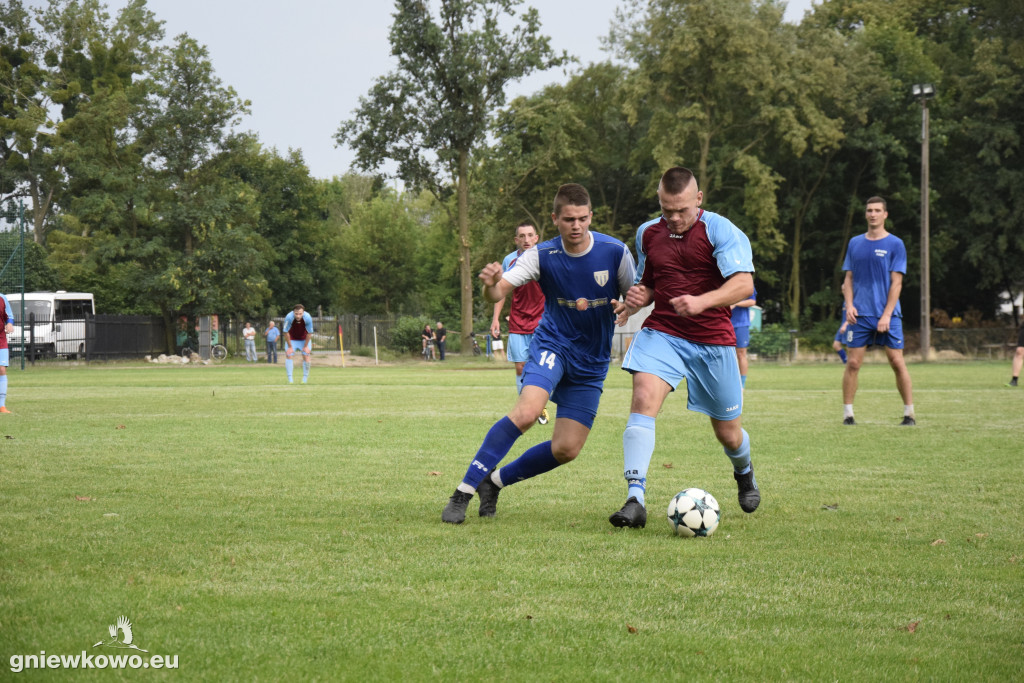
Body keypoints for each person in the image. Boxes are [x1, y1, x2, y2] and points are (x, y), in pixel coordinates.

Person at [442, 183, 637, 524]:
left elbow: (635, 295)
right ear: (555, 219)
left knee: (566, 449)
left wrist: (627, 306)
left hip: (591, 360)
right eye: (567, 219)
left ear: (591, 217)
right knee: (528, 412)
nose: (575, 226)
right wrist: (491, 284)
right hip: (552, 344)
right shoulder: (541, 255)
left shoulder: (615, 252)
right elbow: (499, 290)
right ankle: (463, 492)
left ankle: (495, 482)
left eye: (581, 218)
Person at [610, 166, 759, 529]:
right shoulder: (648, 232)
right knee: (643, 396)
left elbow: (743, 285)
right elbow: (650, 284)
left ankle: (744, 471)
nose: (674, 218)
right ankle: (635, 499)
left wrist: (702, 301)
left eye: (682, 210)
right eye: (666, 209)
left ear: (698, 200)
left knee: (728, 431)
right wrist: (634, 300)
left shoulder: (721, 230)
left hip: (712, 340)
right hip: (664, 331)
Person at [840, 196, 915, 426]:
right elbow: (848, 280)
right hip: (859, 315)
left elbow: (897, 284)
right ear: (866, 214)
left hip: (888, 316)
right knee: (853, 363)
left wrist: (886, 315)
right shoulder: (854, 243)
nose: (872, 214)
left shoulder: (895, 244)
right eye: (869, 210)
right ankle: (848, 415)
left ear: (885, 215)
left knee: (896, 361)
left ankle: (909, 413)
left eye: (877, 210)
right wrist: (849, 305)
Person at [490, 221, 550, 425]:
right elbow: (501, 292)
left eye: (530, 235)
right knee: (519, 368)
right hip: (517, 322)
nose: (526, 239)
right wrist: (496, 318)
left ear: (536, 238)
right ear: (516, 239)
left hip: (543, 321)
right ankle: (530, 409)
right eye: (521, 236)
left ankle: (539, 403)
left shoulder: (546, 257)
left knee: (543, 365)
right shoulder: (509, 260)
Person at [731, 287, 756, 388]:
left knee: (741, 354)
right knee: (724, 354)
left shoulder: (746, 283)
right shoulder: (721, 281)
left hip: (741, 324)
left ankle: (742, 384)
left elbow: (752, 301)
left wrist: (736, 303)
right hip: (724, 324)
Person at [283, 304, 314, 384]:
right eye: (296, 314)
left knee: (306, 356)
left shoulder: (308, 317)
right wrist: (290, 347)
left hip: (304, 339)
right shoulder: (289, 317)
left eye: (300, 314)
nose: (298, 316)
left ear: (303, 312)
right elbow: (285, 332)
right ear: (293, 312)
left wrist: (306, 346)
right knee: (289, 355)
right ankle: (290, 380)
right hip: (292, 339)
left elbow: (309, 333)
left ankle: (304, 379)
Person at [0, 294, 14, 413]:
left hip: (1, 339)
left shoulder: (2, 298)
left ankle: (2, 405)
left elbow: (9, 316)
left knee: (2, 369)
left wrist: (9, 323)